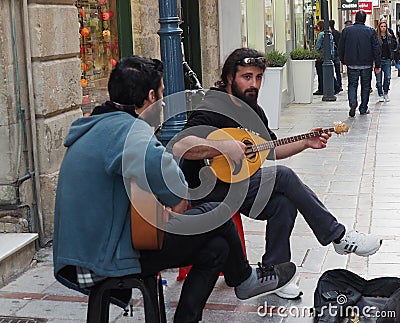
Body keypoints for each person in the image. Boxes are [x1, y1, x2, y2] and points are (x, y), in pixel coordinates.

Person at [53, 55, 296, 323]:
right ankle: (243, 278)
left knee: (216, 248)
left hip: (81, 255)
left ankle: (209, 303)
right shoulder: (130, 133)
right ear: (148, 97)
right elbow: (177, 191)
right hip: (105, 257)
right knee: (217, 212)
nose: (164, 101)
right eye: (161, 94)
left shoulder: (97, 125)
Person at [171, 47, 382, 300]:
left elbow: (269, 150)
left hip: (238, 186)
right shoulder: (214, 106)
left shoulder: (253, 111)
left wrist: (306, 142)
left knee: (283, 202)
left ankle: (275, 274)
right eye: (246, 77)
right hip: (207, 191)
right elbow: (179, 145)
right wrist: (221, 146)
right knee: (283, 176)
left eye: (258, 77)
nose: (254, 84)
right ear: (229, 77)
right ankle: (337, 235)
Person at [338, 10, 381, 117]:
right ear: (365, 19)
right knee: (366, 86)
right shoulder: (370, 31)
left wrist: (343, 60)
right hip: (366, 63)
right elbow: (376, 49)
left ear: (355, 19)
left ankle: (353, 102)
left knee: (352, 84)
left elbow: (341, 47)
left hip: (352, 63)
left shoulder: (347, 31)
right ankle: (363, 108)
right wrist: (378, 64)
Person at [314, 20, 339, 95]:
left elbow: (318, 46)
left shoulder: (321, 34)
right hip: (328, 56)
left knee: (320, 73)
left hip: (321, 57)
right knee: (329, 73)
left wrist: (314, 53)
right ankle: (336, 86)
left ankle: (321, 88)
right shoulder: (330, 33)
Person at [375, 20, 397, 102]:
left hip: (387, 59)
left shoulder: (389, 36)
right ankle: (380, 94)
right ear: (379, 27)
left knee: (387, 77)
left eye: (384, 26)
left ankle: (386, 92)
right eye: (381, 26)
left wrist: (393, 52)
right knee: (379, 79)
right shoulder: (376, 37)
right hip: (379, 60)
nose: (383, 28)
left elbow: (395, 44)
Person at [330, 19, 343, 92]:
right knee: (338, 71)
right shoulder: (338, 33)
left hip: (333, 54)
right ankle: (339, 84)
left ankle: (336, 85)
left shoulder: (330, 34)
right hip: (337, 53)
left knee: (331, 71)